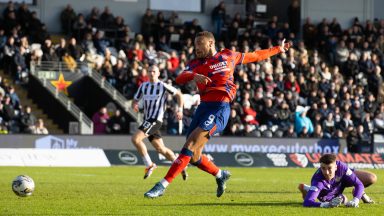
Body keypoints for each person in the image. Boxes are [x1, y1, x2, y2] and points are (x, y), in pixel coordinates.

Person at [144, 31, 291, 198]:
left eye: (200, 44)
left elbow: (256, 55)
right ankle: (220, 175)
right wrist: (194, 75)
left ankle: (161, 185)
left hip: (220, 108)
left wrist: (278, 49)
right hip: (203, 108)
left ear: (210, 43)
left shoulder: (228, 55)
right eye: (195, 45)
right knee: (194, 156)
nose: (196, 48)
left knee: (189, 147)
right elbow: (180, 78)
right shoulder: (195, 64)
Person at [131, 65, 188, 180]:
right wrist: (135, 105)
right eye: (150, 71)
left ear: (158, 73)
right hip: (148, 120)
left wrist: (180, 110)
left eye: (154, 71)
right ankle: (181, 165)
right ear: (147, 73)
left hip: (155, 119)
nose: (151, 73)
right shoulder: (143, 86)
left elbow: (179, 95)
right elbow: (135, 99)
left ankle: (149, 165)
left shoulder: (162, 85)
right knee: (161, 149)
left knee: (135, 139)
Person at [298, 154, 377, 208]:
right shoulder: (318, 180)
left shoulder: (341, 167)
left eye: (329, 168)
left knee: (371, 178)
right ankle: (310, 189)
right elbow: (307, 202)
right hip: (327, 190)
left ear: (336, 167)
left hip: (342, 180)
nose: (326, 172)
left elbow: (359, 184)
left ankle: (359, 193)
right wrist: (325, 205)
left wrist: (356, 200)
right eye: (323, 168)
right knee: (343, 200)